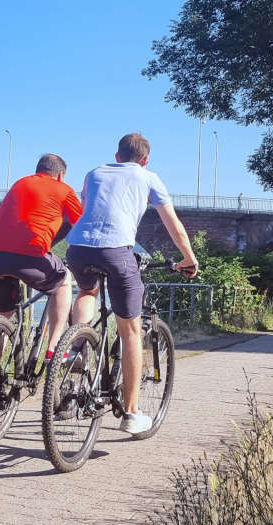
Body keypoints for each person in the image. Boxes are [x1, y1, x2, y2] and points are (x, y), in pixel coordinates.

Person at [65, 133, 198, 435]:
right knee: (131, 331)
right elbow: (173, 226)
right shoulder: (149, 177)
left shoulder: (93, 173)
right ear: (145, 159)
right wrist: (189, 259)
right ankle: (132, 412)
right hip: (117, 250)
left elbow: (88, 210)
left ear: (117, 154)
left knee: (87, 290)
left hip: (77, 249)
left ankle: (76, 345)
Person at [0, 154, 83, 402]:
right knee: (63, 280)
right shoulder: (64, 189)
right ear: (60, 174)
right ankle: (55, 349)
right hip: (29, 256)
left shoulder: (19, 183)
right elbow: (83, 226)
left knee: (2, 315)